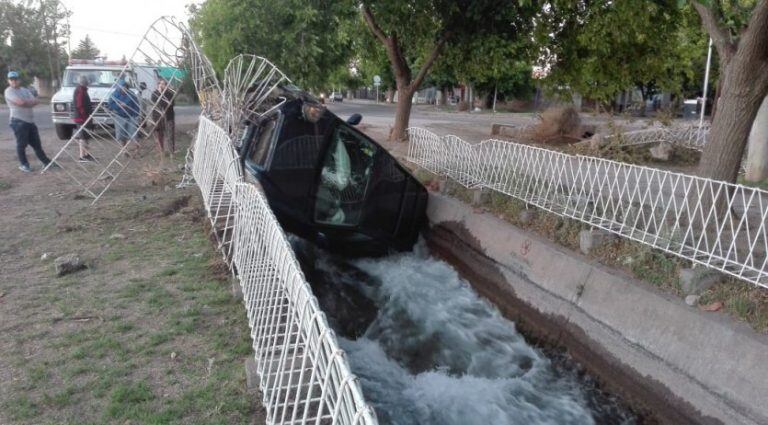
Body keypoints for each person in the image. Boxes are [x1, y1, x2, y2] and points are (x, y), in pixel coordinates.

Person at [4, 71, 53, 172]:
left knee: (37, 144)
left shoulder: (24, 90)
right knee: (21, 144)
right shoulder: (9, 91)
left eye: (15, 79)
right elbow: (20, 102)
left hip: (30, 122)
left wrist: (26, 102)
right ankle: (24, 165)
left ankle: (47, 163)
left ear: (19, 80)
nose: (13, 81)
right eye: (11, 79)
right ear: (8, 81)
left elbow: (36, 101)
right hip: (18, 121)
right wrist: (28, 102)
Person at [107, 79, 140, 151]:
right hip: (120, 116)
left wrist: (136, 115)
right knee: (121, 134)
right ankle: (124, 149)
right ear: (119, 88)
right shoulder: (114, 94)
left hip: (131, 116)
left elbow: (136, 105)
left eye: (125, 87)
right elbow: (110, 105)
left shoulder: (131, 94)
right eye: (122, 87)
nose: (123, 89)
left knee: (133, 133)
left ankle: (136, 150)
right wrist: (119, 105)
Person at [151, 78, 176, 155]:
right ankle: (162, 150)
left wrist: (163, 95)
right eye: (160, 84)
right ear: (158, 85)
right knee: (160, 134)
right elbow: (155, 102)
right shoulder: (154, 94)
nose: (161, 85)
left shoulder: (169, 94)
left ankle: (171, 151)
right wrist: (159, 93)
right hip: (158, 118)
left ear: (166, 85)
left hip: (168, 116)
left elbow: (169, 104)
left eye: (163, 84)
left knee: (170, 134)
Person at [73, 74, 95, 162]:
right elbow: (80, 105)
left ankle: (86, 155)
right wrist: (85, 115)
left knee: (86, 136)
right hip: (81, 118)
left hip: (85, 117)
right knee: (82, 137)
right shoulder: (80, 90)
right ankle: (81, 156)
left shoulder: (83, 90)